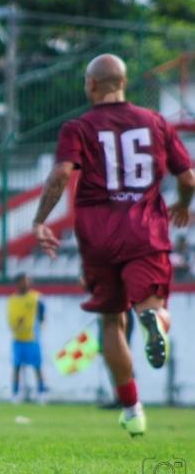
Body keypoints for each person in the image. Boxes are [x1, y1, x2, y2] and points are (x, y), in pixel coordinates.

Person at [31, 54, 195, 437]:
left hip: (99, 236)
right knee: (152, 305)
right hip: (145, 232)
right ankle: (154, 318)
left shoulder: (79, 127)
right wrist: (183, 206)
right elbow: (188, 178)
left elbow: (60, 174)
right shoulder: (156, 122)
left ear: (91, 85)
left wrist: (40, 220)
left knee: (110, 320)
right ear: (124, 83)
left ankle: (132, 408)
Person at [7, 273, 47, 404]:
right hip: (18, 338)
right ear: (18, 283)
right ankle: (15, 393)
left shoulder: (36, 298)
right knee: (16, 366)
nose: (27, 283)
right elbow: (10, 317)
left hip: (32, 338)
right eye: (25, 281)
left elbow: (42, 315)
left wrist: (39, 328)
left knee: (37, 366)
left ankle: (41, 392)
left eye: (29, 281)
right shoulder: (12, 299)